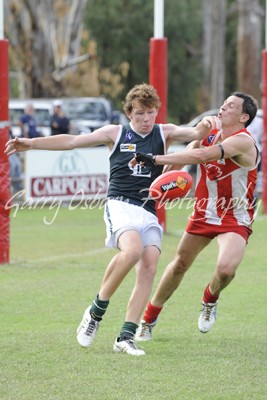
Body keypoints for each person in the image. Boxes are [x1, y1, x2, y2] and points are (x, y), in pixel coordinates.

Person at [5, 83, 218, 356]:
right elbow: (71, 141)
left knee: (150, 265)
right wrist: (31, 143)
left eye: (151, 112)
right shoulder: (115, 133)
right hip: (120, 204)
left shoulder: (164, 132)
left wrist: (208, 123)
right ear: (129, 112)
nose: (146, 119)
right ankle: (94, 314)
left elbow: (196, 132)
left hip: (148, 209)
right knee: (131, 252)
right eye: (140, 113)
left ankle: (126, 337)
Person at [131, 91, 260, 342]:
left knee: (226, 270)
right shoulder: (209, 131)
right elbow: (185, 158)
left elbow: (201, 156)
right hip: (204, 212)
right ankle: (148, 318)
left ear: (244, 116)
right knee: (179, 264)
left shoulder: (244, 141)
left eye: (230, 106)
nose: (222, 108)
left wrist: (155, 158)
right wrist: (159, 181)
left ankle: (210, 298)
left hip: (235, 216)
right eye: (223, 104)